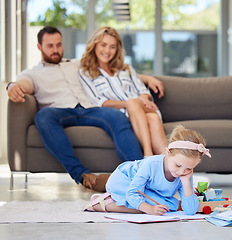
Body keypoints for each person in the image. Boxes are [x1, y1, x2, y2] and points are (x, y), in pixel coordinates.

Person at [7, 26, 164, 192]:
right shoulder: (32, 73)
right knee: (43, 117)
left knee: (118, 117)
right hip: (59, 111)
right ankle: (82, 175)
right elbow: (23, 84)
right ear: (39, 47)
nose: (55, 50)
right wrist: (12, 86)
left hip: (89, 109)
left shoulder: (76, 64)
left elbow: (111, 69)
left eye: (59, 45)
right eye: (50, 46)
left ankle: (140, 175)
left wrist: (148, 78)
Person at [79, 26, 167, 157]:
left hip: (144, 107)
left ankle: (148, 155)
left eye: (112, 47)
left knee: (142, 108)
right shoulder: (86, 73)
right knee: (151, 117)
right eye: (103, 45)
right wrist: (128, 103)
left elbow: (143, 90)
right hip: (125, 116)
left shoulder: (126, 69)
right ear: (95, 45)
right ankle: (169, 163)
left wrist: (142, 99)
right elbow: (100, 102)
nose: (107, 51)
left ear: (117, 49)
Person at [84, 125, 211, 215]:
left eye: (189, 168)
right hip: (124, 181)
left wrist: (185, 182)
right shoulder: (151, 164)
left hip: (148, 191)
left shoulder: (185, 174)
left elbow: (190, 210)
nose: (181, 172)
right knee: (166, 206)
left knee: (169, 206)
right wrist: (150, 210)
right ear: (168, 153)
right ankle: (106, 205)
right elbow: (133, 193)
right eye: (178, 165)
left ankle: (117, 200)